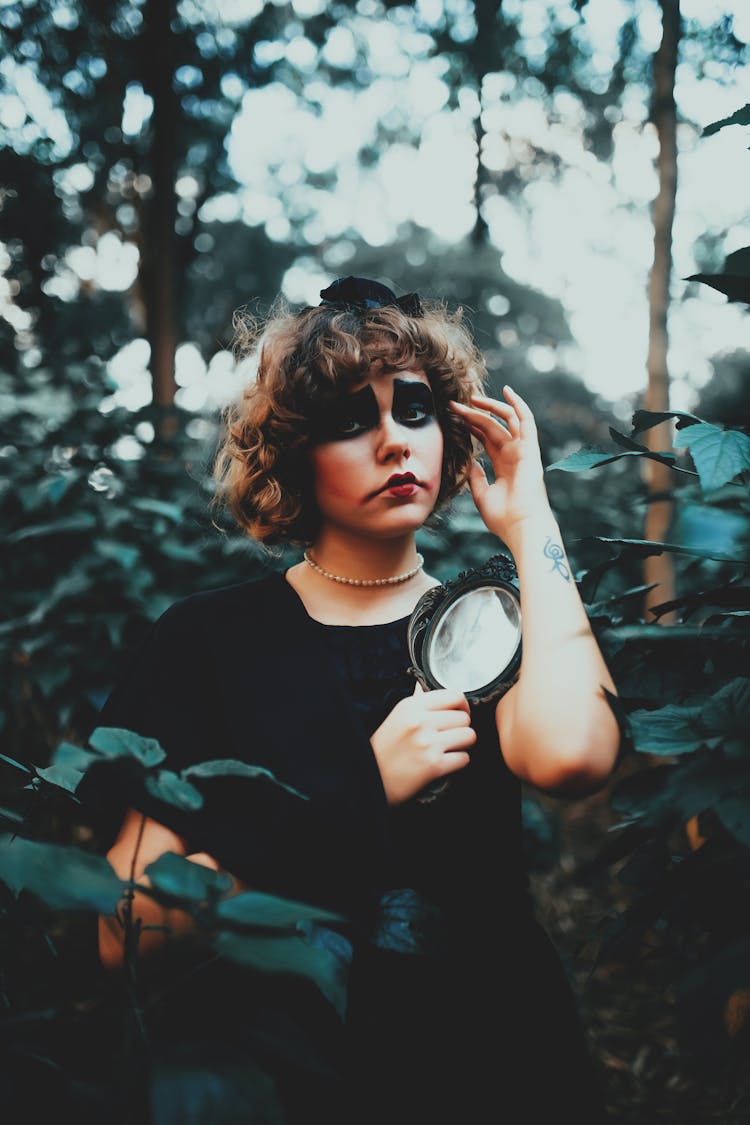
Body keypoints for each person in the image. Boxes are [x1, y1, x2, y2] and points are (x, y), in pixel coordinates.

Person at [79, 275, 620, 1123]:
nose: (395, 442)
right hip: (290, 1062)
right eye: (348, 421)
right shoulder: (206, 639)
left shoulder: (490, 624)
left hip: (498, 1058)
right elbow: (126, 926)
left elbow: (575, 754)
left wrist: (530, 523)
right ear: (295, 454)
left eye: (414, 411)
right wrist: (357, 793)